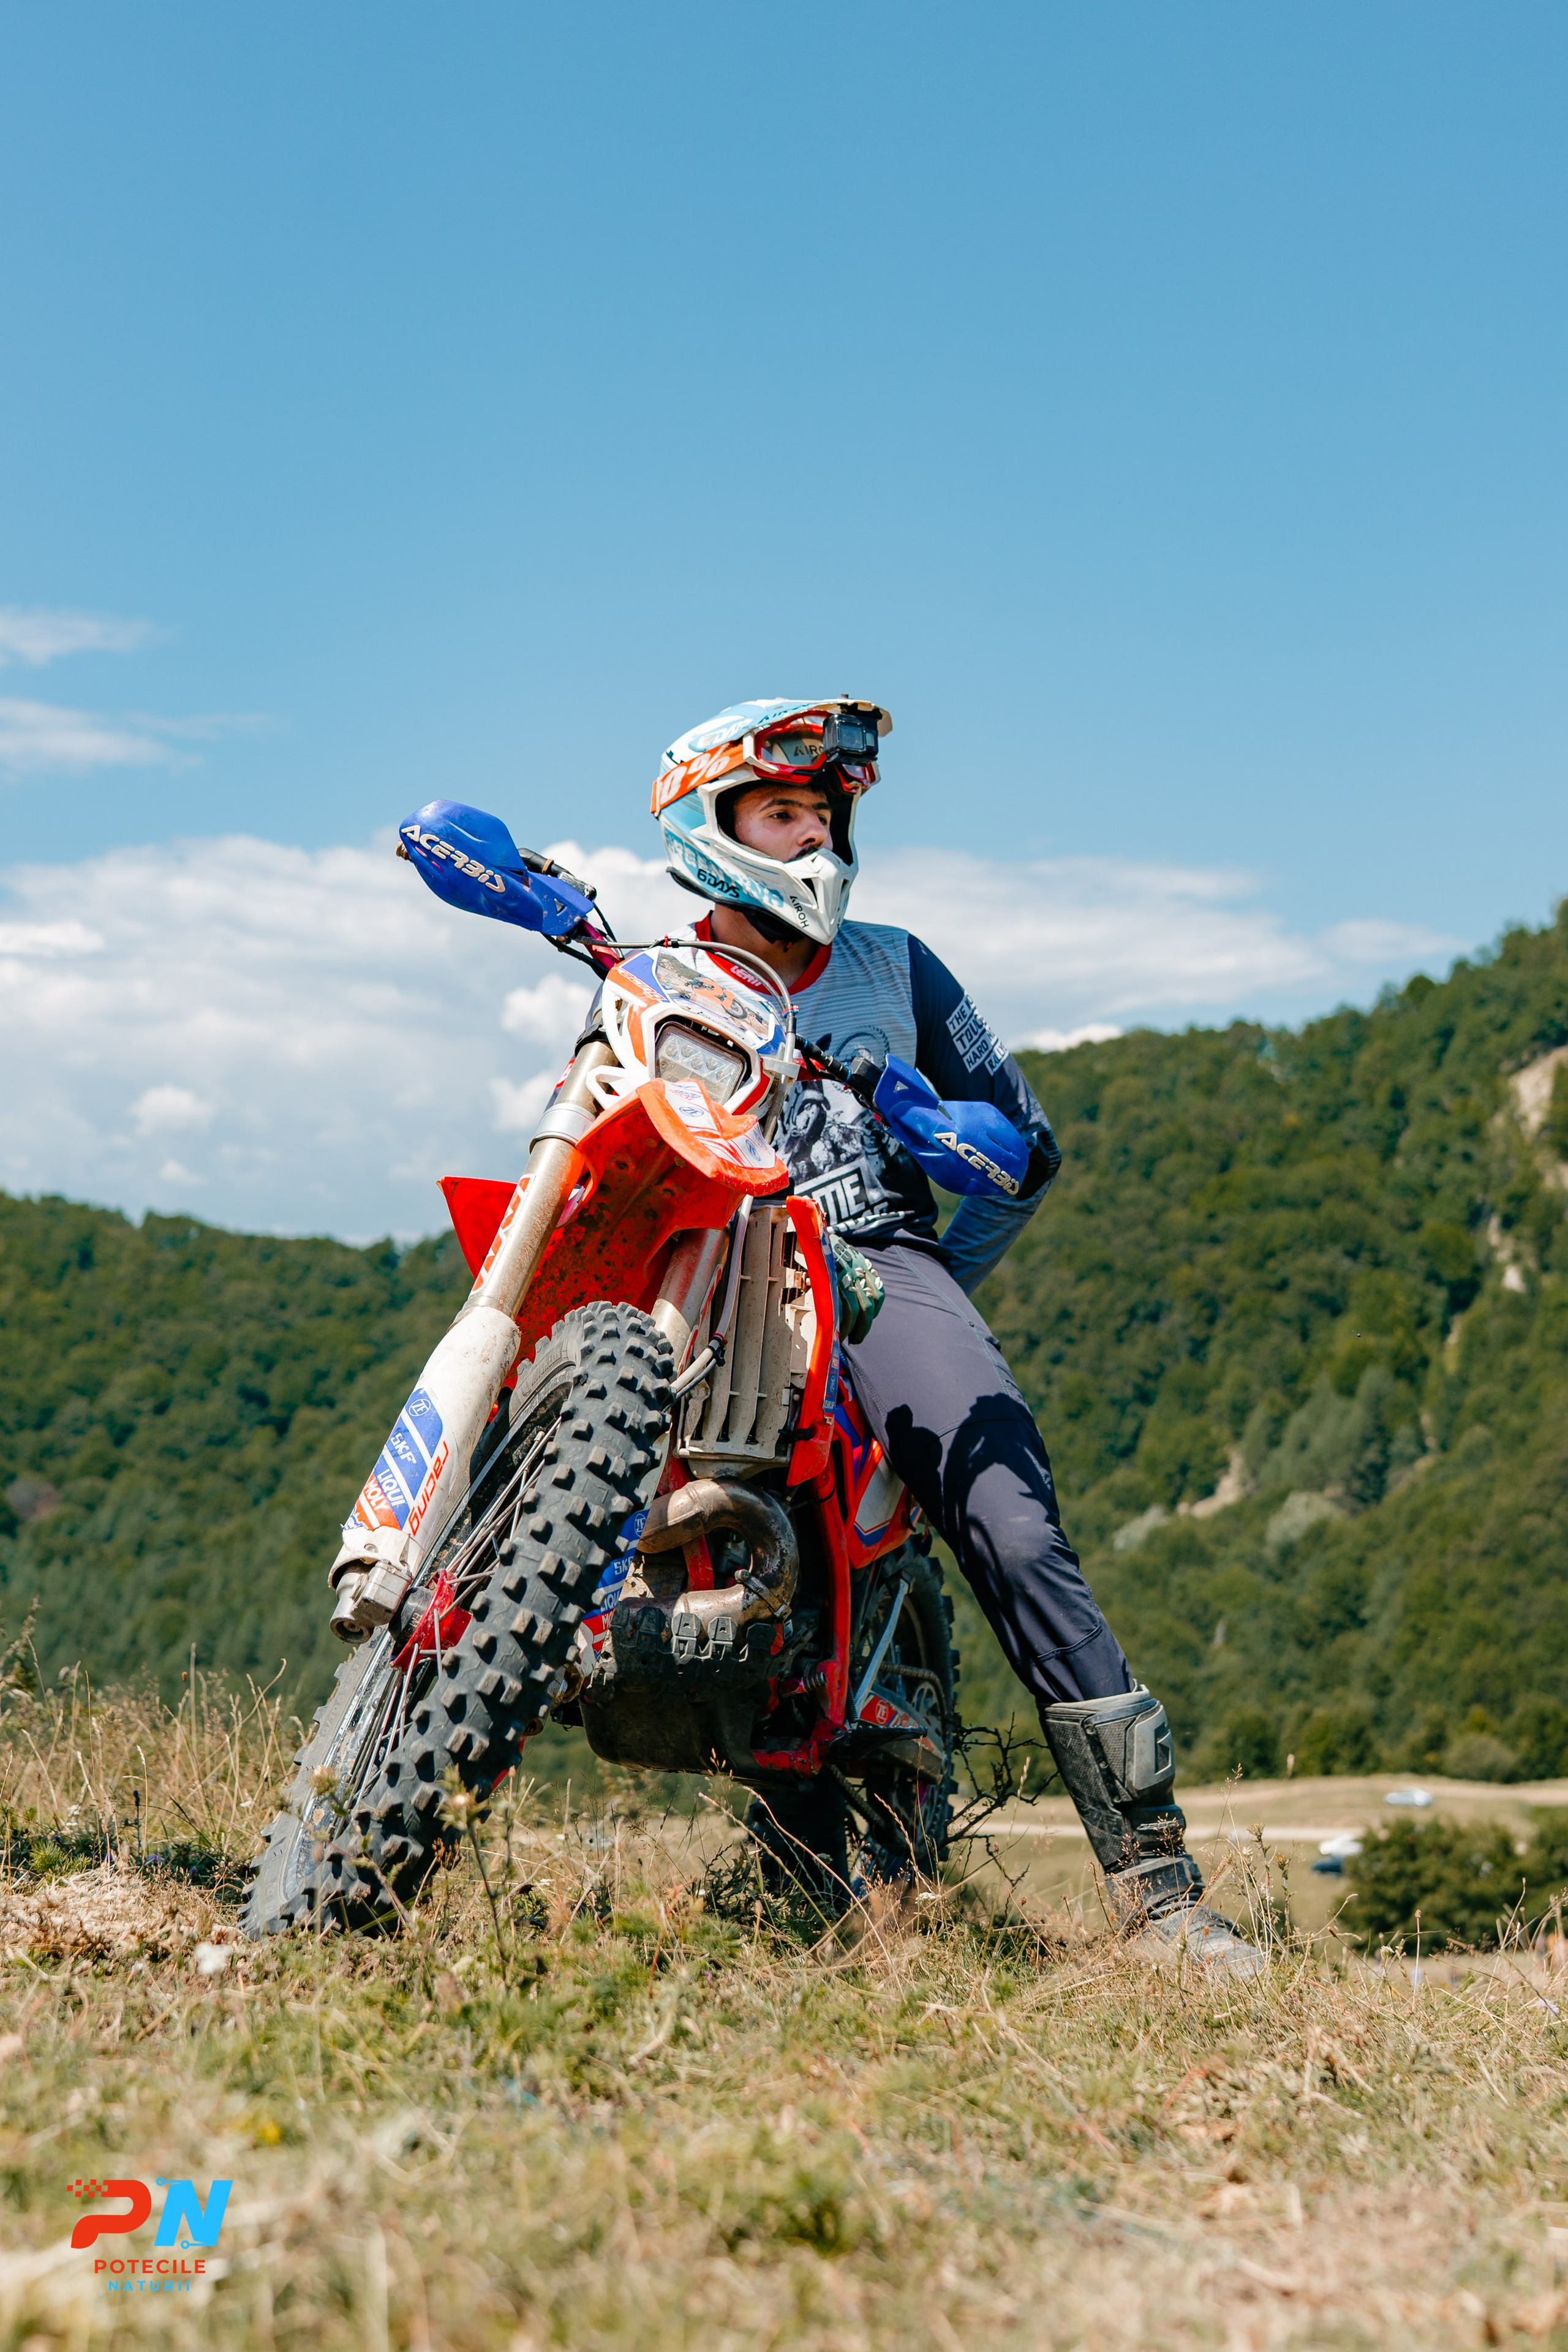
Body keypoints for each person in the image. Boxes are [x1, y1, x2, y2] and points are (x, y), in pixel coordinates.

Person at [651, 698, 1260, 1973]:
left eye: (825, 814)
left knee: (1012, 1524)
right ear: (710, 825)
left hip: (867, 1248)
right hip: (693, 1265)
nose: (811, 838)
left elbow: (1022, 1151)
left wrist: (927, 1276)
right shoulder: (650, 975)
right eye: (781, 812)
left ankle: (1155, 1894)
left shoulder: (896, 965)